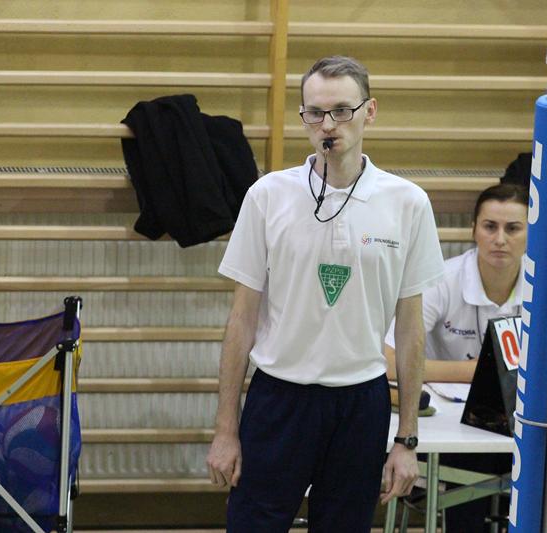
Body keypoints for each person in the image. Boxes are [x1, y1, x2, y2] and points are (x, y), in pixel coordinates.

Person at [206, 55, 445, 533]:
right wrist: (225, 430)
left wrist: (407, 439)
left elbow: (410, 330)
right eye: (315, 113)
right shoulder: (267, 196)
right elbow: (241, 320)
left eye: (341, 110)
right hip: (279, 398)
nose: (328, 125)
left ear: (369, 111)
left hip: (361, 402)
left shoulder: (408, 203)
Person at [384, 182, 529, 531]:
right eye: (490, 226)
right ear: (473, 230)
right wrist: (474, 372)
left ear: (531, 234)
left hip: (518, 423)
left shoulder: (546, 286)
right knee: (472, 468)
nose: (500, 239)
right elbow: (389, 361)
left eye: (513, 228)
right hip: (451, 426)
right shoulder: (442, 279)